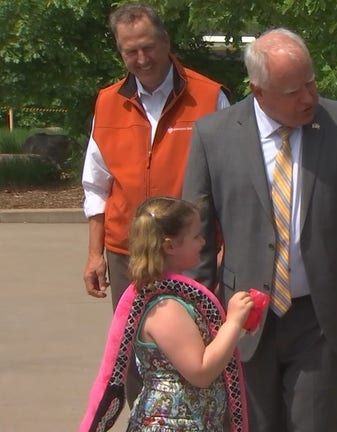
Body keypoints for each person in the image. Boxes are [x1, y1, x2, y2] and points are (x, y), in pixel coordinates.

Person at [182, 28, 337, 432]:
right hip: (243, 318)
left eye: (311, 82)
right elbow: (196, 234)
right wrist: (199, 310)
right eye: (293, 90)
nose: (309, 97)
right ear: (259, 91)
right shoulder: (213, 136)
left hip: (322, 316)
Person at [81, 3, 230, 404]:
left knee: (193, 351)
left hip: (190, 252)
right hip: (127, 253)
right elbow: (96, 184)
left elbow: (232, 184)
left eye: (148, 47)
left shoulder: (209, 97)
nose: (142, 59)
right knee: (132, 357)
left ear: (166, 41)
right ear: (120, 51)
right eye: (131, 51)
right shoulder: (107, 102)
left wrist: (222, 251)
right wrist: (95, 254)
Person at [80, 197, 256, 431]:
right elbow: (201, 371)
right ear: (170, 246)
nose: (203, 242)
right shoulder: (166, 308)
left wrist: (239, 326)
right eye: (196, 236)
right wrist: (233, 322)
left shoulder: (174, 297)